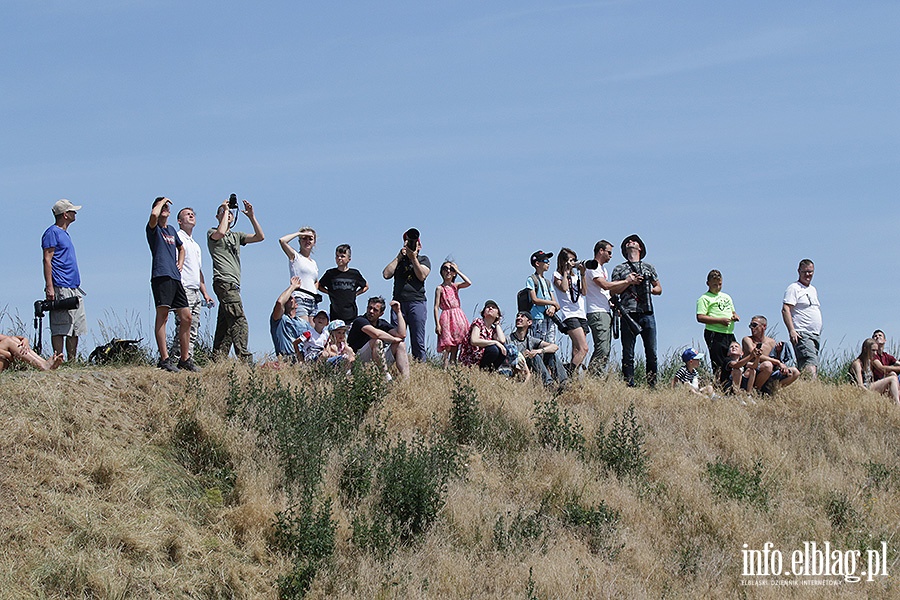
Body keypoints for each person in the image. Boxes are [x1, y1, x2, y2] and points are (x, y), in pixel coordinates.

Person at [208, 196, 264, 361]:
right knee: (239, 320)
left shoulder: (236, 236)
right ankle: (245, 358)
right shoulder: (212, 232)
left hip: (233, 284)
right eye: (224, 213)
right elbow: (221, 232)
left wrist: (252, 216)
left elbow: (260, 237)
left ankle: (217, 359)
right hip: (224, 282)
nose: (229, 214)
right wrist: (225, 209)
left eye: (231, 213)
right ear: (218, 216)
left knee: (225, 325)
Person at [147, 197, 198, 372]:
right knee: (163, 316)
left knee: (187, 317)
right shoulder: (154, 229)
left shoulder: (171, 230)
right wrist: (160, 202)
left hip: (175, 277)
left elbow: (181, 247)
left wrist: (181, 262)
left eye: (167, 207)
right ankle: (165, 359)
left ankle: (185, 359)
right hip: (161, 275)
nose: (165, 209)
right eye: (163, 207)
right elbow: (154, 215)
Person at [610, 234, 662, 387]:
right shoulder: (619, 268)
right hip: (628, 313)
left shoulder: (648, 267)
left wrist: (648, 289)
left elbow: (659, 288)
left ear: (640, 247)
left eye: (634, 241)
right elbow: (613, 291)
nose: (630, 243)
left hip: (647, 312)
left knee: (651, 352)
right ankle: (629, 384)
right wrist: (629, 282)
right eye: (627, 242)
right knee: (628, 353)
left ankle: (652, 384)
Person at [41, 199, 86, 362]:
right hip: (60, 284)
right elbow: (47, 259)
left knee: (75, 327)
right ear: (65, 215)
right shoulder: (52, 232)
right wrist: (50, 287)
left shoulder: (64, 234)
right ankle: (58, 359)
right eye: (72, 211)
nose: (75, 213)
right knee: (61, 326)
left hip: (73, 285)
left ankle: (72, 361)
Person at [170, 207, 215, 362]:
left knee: (194, 327)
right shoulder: (177, 238)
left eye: (192, 214)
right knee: (183, 324)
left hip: (195, 289)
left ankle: (188, 358)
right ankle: (176, 358)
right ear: (179, 221)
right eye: (187, 214)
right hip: (183, 287)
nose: (191, 215)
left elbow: (199, 271)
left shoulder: (195, 245)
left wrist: (205, 293)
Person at [585, 240, 636, 374]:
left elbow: (606, 291)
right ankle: (593, 378)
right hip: (597, 311)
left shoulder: (603, 269)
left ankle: (597, 376)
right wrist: (626, 281)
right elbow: (605, 285)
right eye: (609, 252)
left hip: (605, 310)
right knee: (602, 348)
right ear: (600, 251)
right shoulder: (593, 267)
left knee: (606, 347)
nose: (611, 256)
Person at [382, 228, 431, 361]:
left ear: (419, 246)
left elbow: (422, 276)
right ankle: (395, 363)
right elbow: (386, 274)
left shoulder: (423, 259)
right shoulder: (399, 260)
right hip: (398, 303)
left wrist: (413, 258)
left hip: (417, 301)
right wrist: (399, 257)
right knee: (397, 337)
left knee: (418, 339)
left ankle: (420, 366)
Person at [347, 296, 410, 379]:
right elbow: (376, 334)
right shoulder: (360, 320)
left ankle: (406, 380)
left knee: (400, 344)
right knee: (377, 341)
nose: (371, 311)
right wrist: (393, 339)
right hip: (359, 360)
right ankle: (386, 378)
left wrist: (398, 312)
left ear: (381, 313)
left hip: (378, 360)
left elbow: (402, 335)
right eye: (370, 308)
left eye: (375, 310)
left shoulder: (382, 324)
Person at [696, 269, 739, 384]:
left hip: (729, 333)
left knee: (734, 359)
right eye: (715, 284)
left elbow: (733, 311)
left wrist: (735, 316)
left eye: (720, 284)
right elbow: (700, 317)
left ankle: (734, 385)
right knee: (719, 363)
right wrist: (720, 321)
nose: (718, 287)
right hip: (714, 333)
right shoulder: (704, 298)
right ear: (708, 283)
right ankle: (720, 385)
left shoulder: (726, 297)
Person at [740, 315, 801, 393]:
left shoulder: (771, 342)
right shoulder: (747, 340)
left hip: (769, 373)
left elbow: (774, 360)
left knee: (795, 372)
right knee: (767, 365)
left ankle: (772, 389)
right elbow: (755, 354)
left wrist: (779, 353)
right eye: (750, 325)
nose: (752, 328)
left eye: (754, 325)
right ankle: (755, 391)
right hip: (752, 371)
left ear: (764, 326)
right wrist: (778, 362)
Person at [782, 259, 822, 377]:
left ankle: (804, 388)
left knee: (810, 363)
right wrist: (792, 330)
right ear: (799, 271)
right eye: (805, 272)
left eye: (810, 272)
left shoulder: (812, 290)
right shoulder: (794, 288)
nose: (808, 275)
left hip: (814, 334)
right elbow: (786, 309)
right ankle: (813, 388)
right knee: (810, 362)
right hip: (802, 333)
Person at [507, 311, 568, 388]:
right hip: (518, 368)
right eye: (517, 316)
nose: (518, 318)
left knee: (550, 354)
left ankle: (564, 383)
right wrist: (522, 356)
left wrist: (539, 351)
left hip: (532, 368)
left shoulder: (531, 340)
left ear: (529, 322)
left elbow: (555, 347)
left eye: (522, 316)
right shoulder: (508, 339)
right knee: (533, 357)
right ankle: (548, 384)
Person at [553, 248, 590, 374]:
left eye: (574, 260)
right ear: (563, 261)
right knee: (584, 348)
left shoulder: (575, 276)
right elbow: (563, 288)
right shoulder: (557, 275)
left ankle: (573, 377)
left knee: (577, 350)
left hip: (581, 314)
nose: (573, 262)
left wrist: (583, 274)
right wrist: (565, 271)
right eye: (571, 260)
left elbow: (584, 292)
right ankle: (568, 372)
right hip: (570, 315)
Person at [434, 261, 472, 367]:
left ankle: (453, 368)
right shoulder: (440, 288)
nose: (448, 271)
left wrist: (458, 271)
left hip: (458, 316)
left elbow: (468, 282)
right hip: (446, 316)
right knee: (447, 345)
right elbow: (436, 307)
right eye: (445, 269)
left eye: (451, 269)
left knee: (456, 345)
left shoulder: (455, 286)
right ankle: (445, 369)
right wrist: (437, 324)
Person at [317, 244, 368, 322]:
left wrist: (356, 293)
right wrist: (329, 292)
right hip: (335, 313)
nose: (339, 258)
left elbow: (366, 286)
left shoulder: (354, 273)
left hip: (351, 313)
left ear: (349, 259)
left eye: (342, 256)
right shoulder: (330, 273)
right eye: (337, 256)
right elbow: (319, 286)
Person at [279, 227, 319, 322]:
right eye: (304, 238)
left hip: (313, 301)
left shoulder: (313, 262)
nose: (307, 241)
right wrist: (298, 234)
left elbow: (315, 281)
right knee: (303, 331)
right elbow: (282, 241)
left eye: (310, 239)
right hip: (300, 298)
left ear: (314, 242)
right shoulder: (295, 256)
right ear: (299, 241)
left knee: (313, 334)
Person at [270, 276, 312, 362]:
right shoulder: (279, 320)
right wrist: (292, 287)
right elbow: (279, 302)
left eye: (290, 298)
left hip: (303, 360)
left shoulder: (304, 323)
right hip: (286, 359)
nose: (287, 300)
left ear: (296, 304)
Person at [850, 338, 900, 405]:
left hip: (870, 386)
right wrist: (873, 396)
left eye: (876, 351)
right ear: (865, 349)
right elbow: (860, 386)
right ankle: (897, 405)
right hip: (863, 390)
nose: (875, 353)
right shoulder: (858, 364)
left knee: (892, 374)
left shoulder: (869, 361)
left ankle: (892, 404)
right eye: (873, 350)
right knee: (892, 379)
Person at [525, 250, 561, 344]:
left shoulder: (547, 282)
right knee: (539, 343)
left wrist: (553, 307)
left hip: (549, 317)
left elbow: (555, 303)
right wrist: (552, 303)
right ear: (537, 263)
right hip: (538, 317)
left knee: (551, 344)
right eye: (545, 261)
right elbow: (535, 299)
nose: (548, 263)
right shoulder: (531, 279)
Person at [460, 300, 507, 371]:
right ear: (484, 313)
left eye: (493, 307)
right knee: (494, 350)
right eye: (487, 307)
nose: (490, 308)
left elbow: (502, 340)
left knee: (504, 349)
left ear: (497, 314)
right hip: (472, 357)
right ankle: (481, 370)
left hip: (483, 356)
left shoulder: (492, 330)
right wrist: (495, 342)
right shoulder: (478, 322)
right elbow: (474, 341)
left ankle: (489, 371)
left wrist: (497, 324)